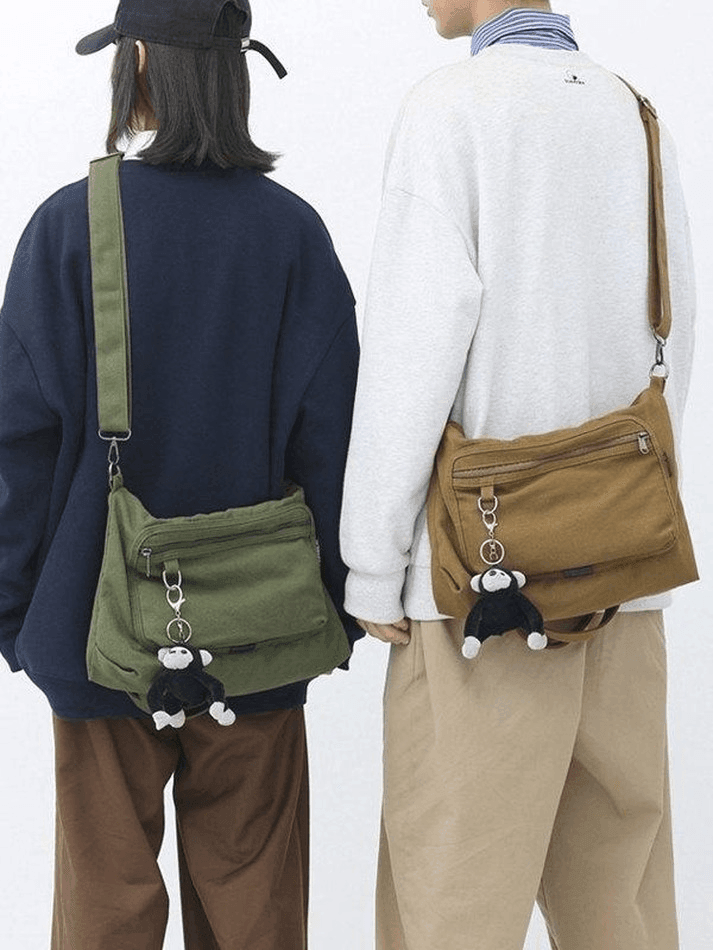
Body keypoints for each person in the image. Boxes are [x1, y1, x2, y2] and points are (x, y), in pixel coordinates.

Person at [0, 1, 361, 948]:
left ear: (138, 65)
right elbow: (333, 443)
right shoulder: (293, 234)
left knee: (104, 910)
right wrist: (338, 605)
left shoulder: (70, 226)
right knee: (255, 907)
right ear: (236, 73)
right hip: (264, 632)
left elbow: (17, 445)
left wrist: (17, 615)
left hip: (95, 629)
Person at [339, 2, 695, 948]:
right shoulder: (633, 110)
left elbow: (411, 351)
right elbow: (675, 333)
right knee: (620, 909)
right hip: (625, 569)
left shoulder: (450, 107)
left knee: (451, 905)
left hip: (479, 584)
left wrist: (371, 562)